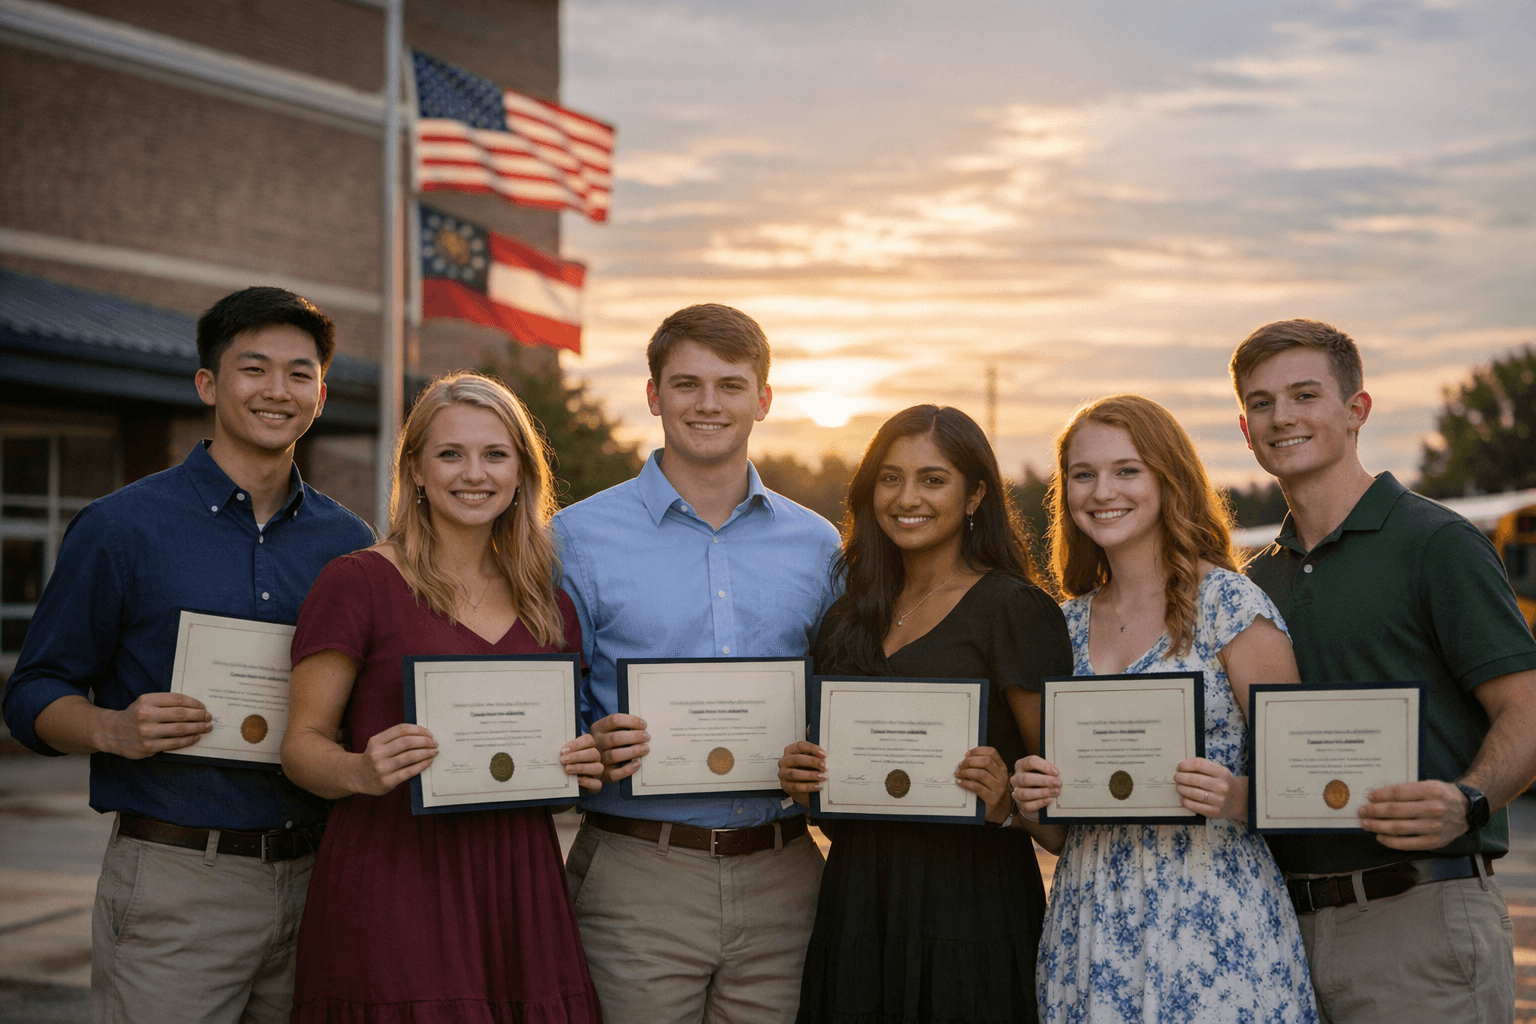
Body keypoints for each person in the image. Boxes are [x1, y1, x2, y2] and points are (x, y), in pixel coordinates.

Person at [0, 287, 374, 1024]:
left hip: (320, 881)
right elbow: (31, 694)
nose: (277, 390)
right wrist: (112, 728)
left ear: (321, 395)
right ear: (208, 384)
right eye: (254, 368)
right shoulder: (121, 527)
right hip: (177, 882)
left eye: (299, 374)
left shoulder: (351, 546)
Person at [1231, 319, 1536, 1023]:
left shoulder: (1437, 545)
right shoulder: (1248, 589)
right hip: (1277, 932)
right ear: (1246, 430)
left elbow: (1525, 706)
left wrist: (1470, 800)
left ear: (1356, 410)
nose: (1283, 417)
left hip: (1420, 917)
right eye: (1263, 403)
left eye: (1305, 394)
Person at [279, 371, 604, 1022]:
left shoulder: (550, 603)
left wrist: (584, 763)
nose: (473, 473)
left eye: (495, 454)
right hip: (394, 873)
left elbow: (560, 746)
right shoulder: (359, 582)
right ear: (416, 471)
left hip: (520, 880)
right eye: (450, 454)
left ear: (521, 474)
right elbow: (300, 747)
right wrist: (358, 769)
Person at [553, 303, 842, 1024]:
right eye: (686, 384)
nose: (707, 404)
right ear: (653, 395)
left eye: (730, 385)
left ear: (763, 401)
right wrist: (588, 743)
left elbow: (843, 694)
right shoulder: (575, 538)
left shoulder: (818, 545)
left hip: (785, 873)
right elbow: (543, 701)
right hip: (637, 873)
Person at [1012, 394, 1318, 1023]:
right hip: (1089, 922)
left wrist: (1235, 795)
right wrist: (1032, 800)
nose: (1103, 491)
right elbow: (1058, 832)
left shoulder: (1231, 606)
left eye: (1127, 470)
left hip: (1213, 919)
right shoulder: (1061, 627)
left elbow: (1307, 784)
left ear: (1168, 480)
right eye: (1083, 474)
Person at [776, 405, 1073, 1024]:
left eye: (933, 480)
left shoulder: (1013, 609)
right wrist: (807, 785)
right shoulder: (848, 616)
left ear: (976, 495)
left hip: (972, 911)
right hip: (859, 906)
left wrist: (1007, 806)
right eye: (890, 478)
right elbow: (840, 810)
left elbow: (1065, 817)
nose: (907, 497)